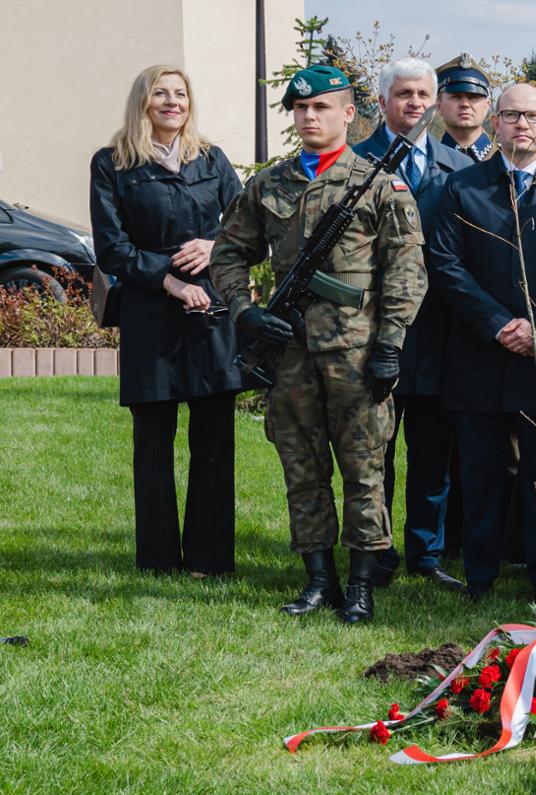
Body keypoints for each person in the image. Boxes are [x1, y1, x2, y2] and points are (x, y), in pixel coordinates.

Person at [208, 65, 426, 624]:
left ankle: (360, 584)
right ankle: (318, 580)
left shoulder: (378, 183)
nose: (309, 116)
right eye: (300, 108)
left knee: (364, 470)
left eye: (321, 107)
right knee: (301, 469)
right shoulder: (270, 184)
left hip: (357, 355)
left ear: (349, 114)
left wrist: (390, 344)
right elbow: (228, 252)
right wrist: (246, 311)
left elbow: (406, 269)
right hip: (290, 355)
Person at [428, 83, 536, 600]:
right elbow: (445, 265)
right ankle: (480, 575)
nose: (522, 124)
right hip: (479, 353)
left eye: (533, 115)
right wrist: (499, 322)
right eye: (512, 114)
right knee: (480, 473)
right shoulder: (462, 187)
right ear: (494, 122)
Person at [89, 65, 248, 577]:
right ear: (143, 101)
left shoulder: (212, 158)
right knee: (153, 445)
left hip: (212, 315)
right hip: (151, 315)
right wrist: (170, 280)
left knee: (214, 444)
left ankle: (209, 558)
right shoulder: (113, 163)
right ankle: (158, 559)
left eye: (180, 94)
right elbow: (113, 249)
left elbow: (247, 227)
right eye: (161, 93)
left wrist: (216, 244)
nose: (172, 102)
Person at [356, 57, 475, 592]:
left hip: (440, 331)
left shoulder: (460, 167)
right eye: (403, 93)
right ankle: (375, 550)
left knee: (432, 452)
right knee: (374, 449)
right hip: (372, 329)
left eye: (424, 94)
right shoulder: (357, 162)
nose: (415, 103)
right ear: (383, 102)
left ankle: (426, 553)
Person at [436, 54, 495, 162]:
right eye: (456, 97)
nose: (465, 104)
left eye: (473, 97)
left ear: (487, 105)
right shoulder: (425, 162)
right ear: (439, 105)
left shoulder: (509, 162)